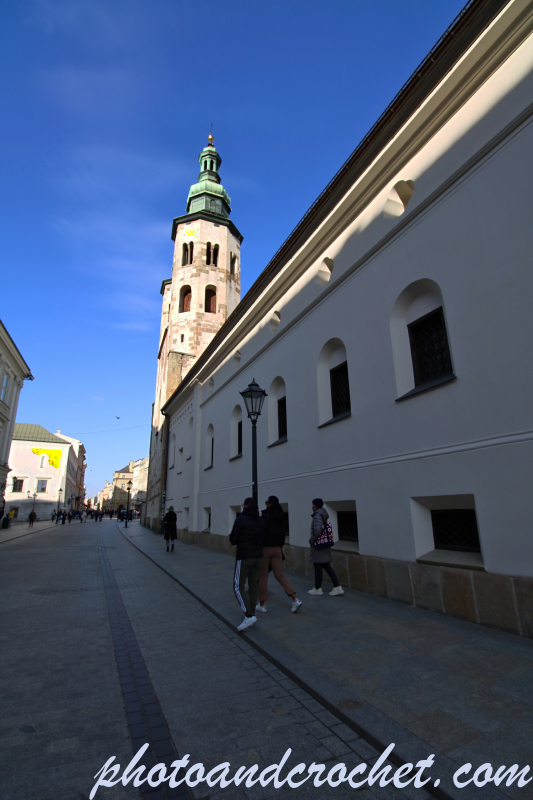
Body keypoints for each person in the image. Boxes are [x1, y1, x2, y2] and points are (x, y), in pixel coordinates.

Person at [257, 496, 301, 614]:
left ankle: (262, 604)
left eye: (267, 502)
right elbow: (283, 533)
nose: (266, 504)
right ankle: (294, 598)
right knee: (280, 574)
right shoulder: (281, 517)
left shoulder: (265, 516)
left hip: (266, 549)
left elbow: (260, 532)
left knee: (263, 576)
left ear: (270, 504)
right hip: (277, 549)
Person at [229, 498, 265, 631]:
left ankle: (248, 614)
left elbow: (233, 539)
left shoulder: (241, 519)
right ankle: (252, 614)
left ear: (245, 506)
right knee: (254, 585)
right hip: (258, 556)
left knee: (238, 586)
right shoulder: (260, 520)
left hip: (244, 556)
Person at [308, 498, 344, 596]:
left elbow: (317, 530)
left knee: (320, 565)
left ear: (315, 506)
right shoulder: (322, 514)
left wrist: (311, 540)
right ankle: (331, 586)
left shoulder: (318, 515)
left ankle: (319, 588)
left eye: (313, 505)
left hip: (319, 544)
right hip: (323, 543)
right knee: (322, 565)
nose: (312, 506)